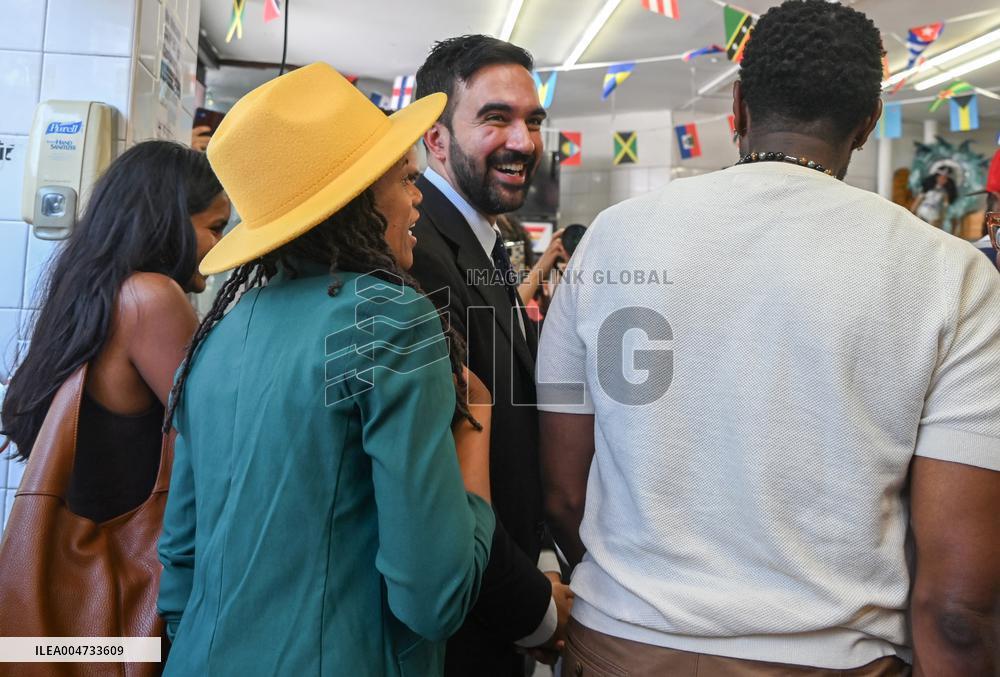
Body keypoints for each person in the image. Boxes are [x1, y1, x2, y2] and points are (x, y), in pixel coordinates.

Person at [537, 1, 999, 675]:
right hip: (839, 657)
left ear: (738, 107)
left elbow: (564, 491)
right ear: (869, 123)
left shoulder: (613, 238)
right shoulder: (951, 274)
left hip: (619, 643)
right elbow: (958, 606)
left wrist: (640, 599)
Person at [156, 63, 496, 676]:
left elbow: (179, 568)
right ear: (357, 199)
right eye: (402, 178)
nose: (417, 194)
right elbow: (434, 596)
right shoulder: (390, 318)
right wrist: (476, 426)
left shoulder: (218, 336)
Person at [409, 34, 572, 676]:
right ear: (437, 138)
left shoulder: (478, 241)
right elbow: (440, 482)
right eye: (495, 118)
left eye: (533, 120)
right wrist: (533, 609)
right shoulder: (418, 252)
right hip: (459, 633)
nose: (525, 141)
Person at [0, 141, 227, 523]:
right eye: (215, 228)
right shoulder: (150, 297)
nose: (223, 245)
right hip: (130, 568)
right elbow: (217, 434)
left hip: (84, 564)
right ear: (168, 220)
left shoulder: (92, 290)